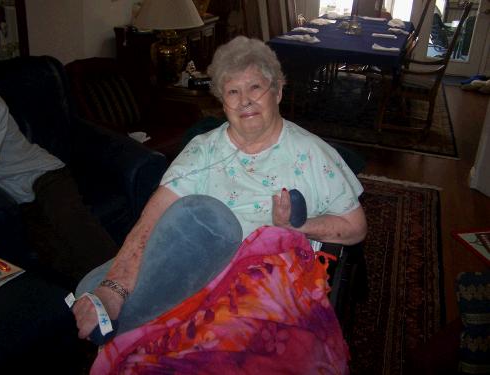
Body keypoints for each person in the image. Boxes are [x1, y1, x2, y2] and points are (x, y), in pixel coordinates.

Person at [72, 36, 367, 371]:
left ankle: (124, 326)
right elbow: (154, 219)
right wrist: (116, 285)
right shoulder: (203, 150)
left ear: (278, 92)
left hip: (259, 288)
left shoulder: (313, 155)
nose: (245, 101)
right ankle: (119, 308)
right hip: (193, 271)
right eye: (233, 92)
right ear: (222, 103)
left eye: (256, 87)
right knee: (101, 282)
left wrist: (297, 225)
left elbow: (356, 227)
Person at [0, 91, 118, 287]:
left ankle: (127, 288)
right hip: (15, 197)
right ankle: (91, 301)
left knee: (80, 233)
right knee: (54, 255)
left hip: (44, 175)